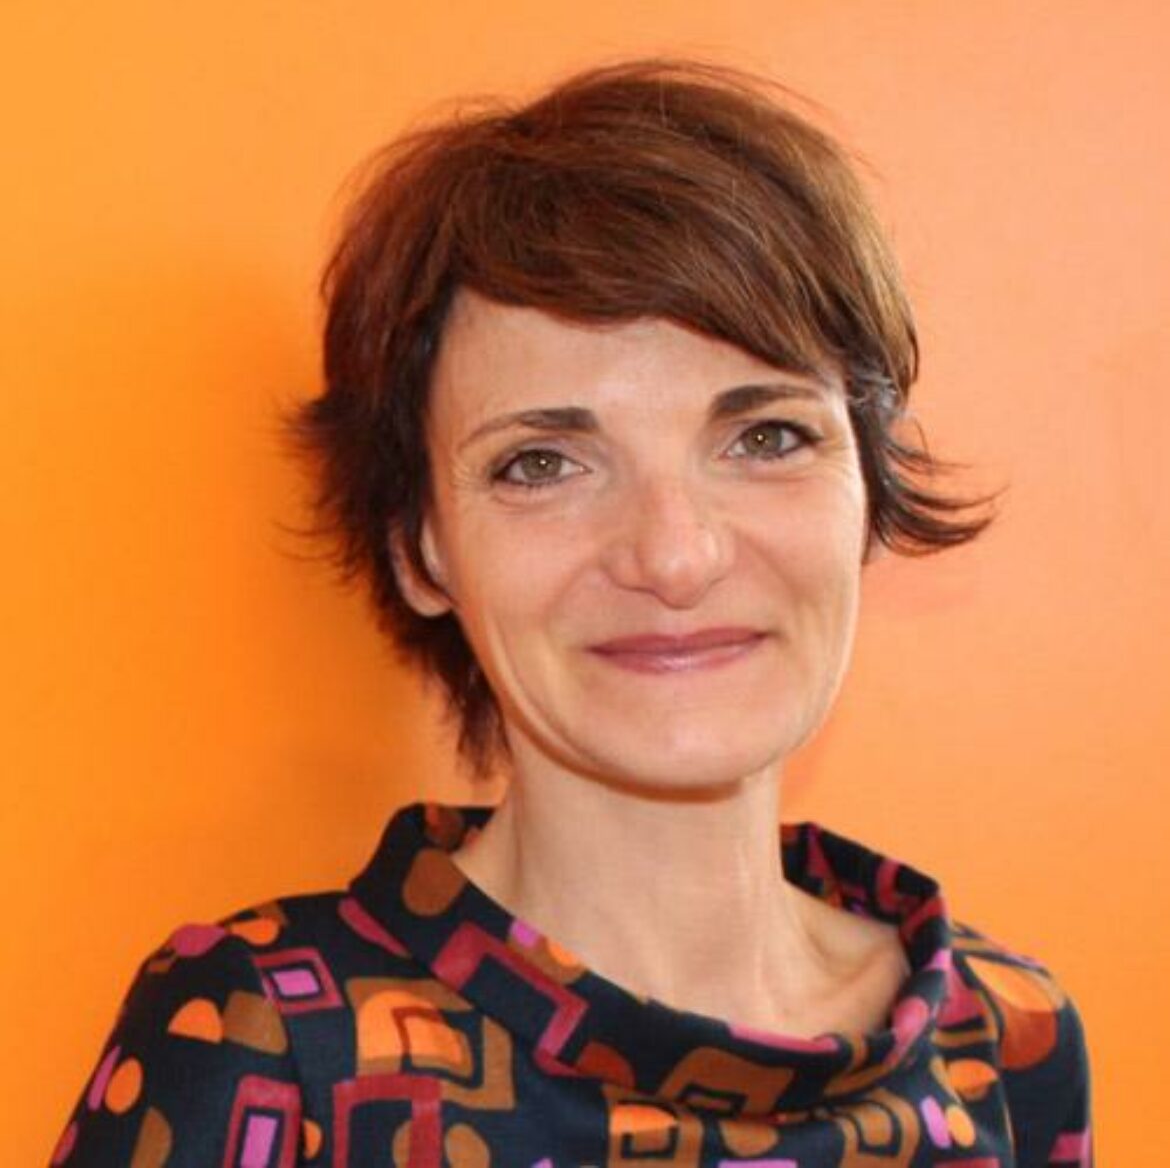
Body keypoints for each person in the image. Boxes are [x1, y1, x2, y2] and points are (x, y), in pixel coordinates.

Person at [53, 60, 1092, 1168]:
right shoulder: (268, 1044)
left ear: (871, 492)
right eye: (542, 463)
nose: (675, 556)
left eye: (766, 438)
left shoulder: (1008, 1037)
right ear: (420, 546)